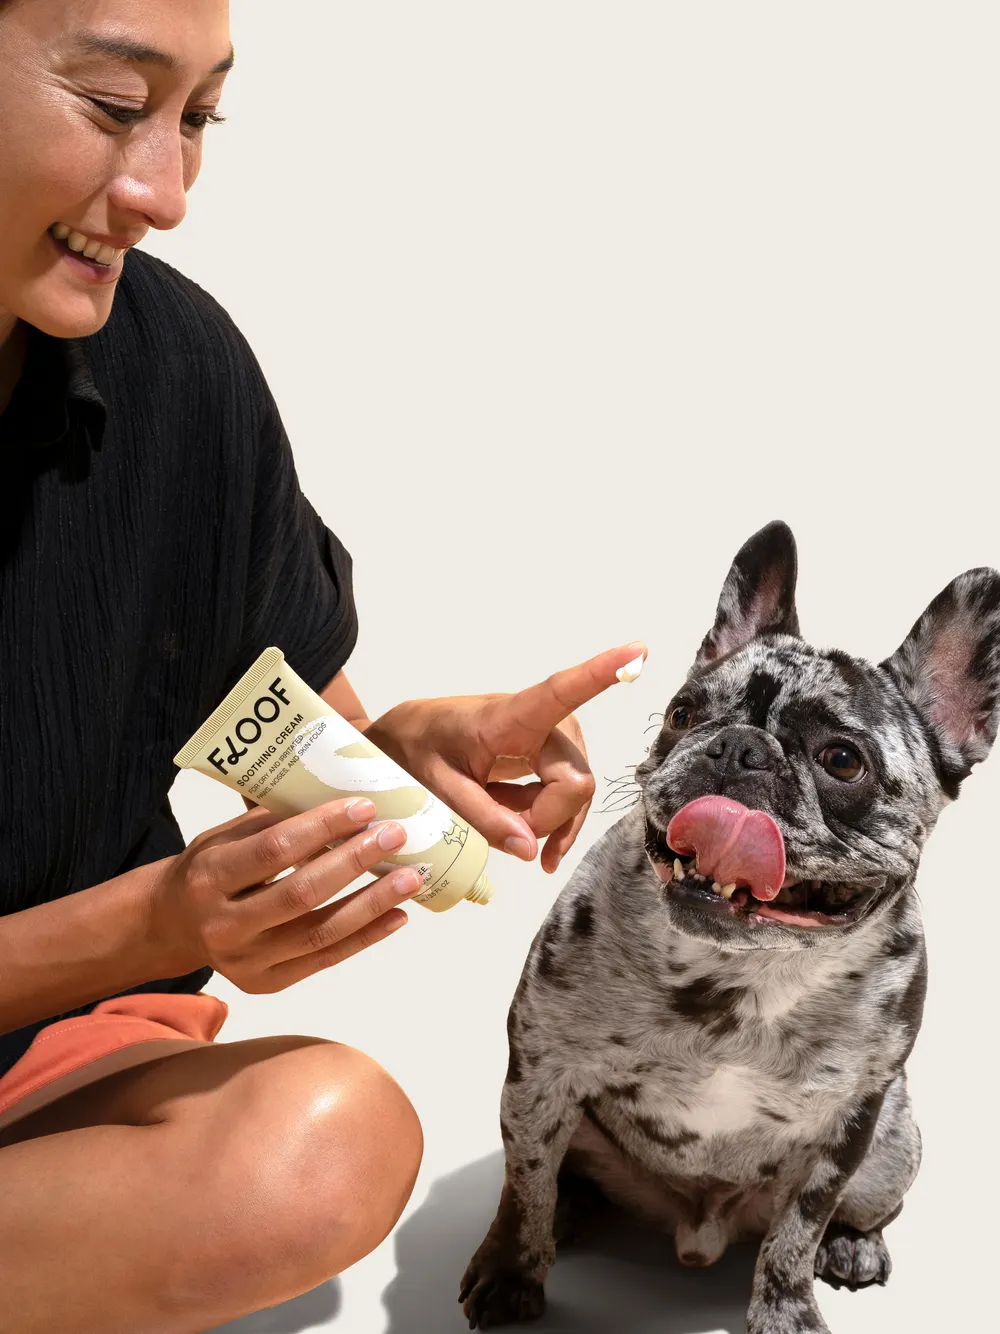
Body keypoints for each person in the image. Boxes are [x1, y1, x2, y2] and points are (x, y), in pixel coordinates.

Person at [0, 2, 645, 1329]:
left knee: (330, 1142)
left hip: (53, 1072)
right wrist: (163, 921)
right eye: (117, 107)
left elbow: (276, 731)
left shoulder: (172, 367)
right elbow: (177, 909)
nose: (165, 191)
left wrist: (402, 769)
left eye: (200, 118)